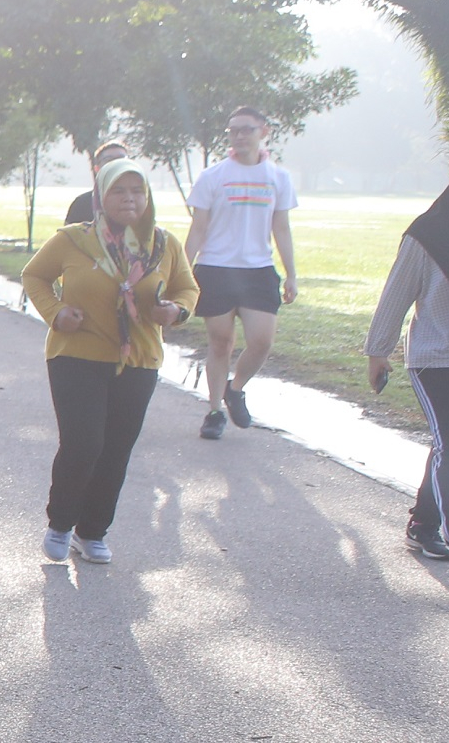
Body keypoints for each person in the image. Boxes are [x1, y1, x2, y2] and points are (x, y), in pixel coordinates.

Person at [22, 160, 198, 564]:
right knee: (83, 443)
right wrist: (56, 312)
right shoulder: (74, 240)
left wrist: (177, 311)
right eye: (119, 191)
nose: (129, 199)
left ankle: (93, 531)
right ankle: (61, 523)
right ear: (101, 196)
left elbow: (187, 287)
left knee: (116, 448)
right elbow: (35, 276)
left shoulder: (163, 244)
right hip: (76, 355)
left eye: (137, 191)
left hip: (139, 359)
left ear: (148, 197)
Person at [366, 145, 449, 584]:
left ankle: (422, 525)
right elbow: (396, 295)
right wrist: (378, 352)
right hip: (440, 358)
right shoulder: (428, 235)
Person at [186, 109, 299, 439]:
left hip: (258, 271)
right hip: (216, 268)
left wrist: (291, 274)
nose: (239, 136)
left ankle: (235, 389)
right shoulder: (213, 176)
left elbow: (282, 228)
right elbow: (198, 228)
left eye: (246, 130)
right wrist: (181, 271)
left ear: (263, 131)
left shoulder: (278, 177)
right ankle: (214, 412)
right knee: (220, 343)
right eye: (233, 130)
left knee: (261, 342)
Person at [62, 139, 132, 226]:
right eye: (109, 160)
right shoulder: (81, 204)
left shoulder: (138, 200)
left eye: (122, 159)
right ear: (97, 169)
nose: (116, 164)